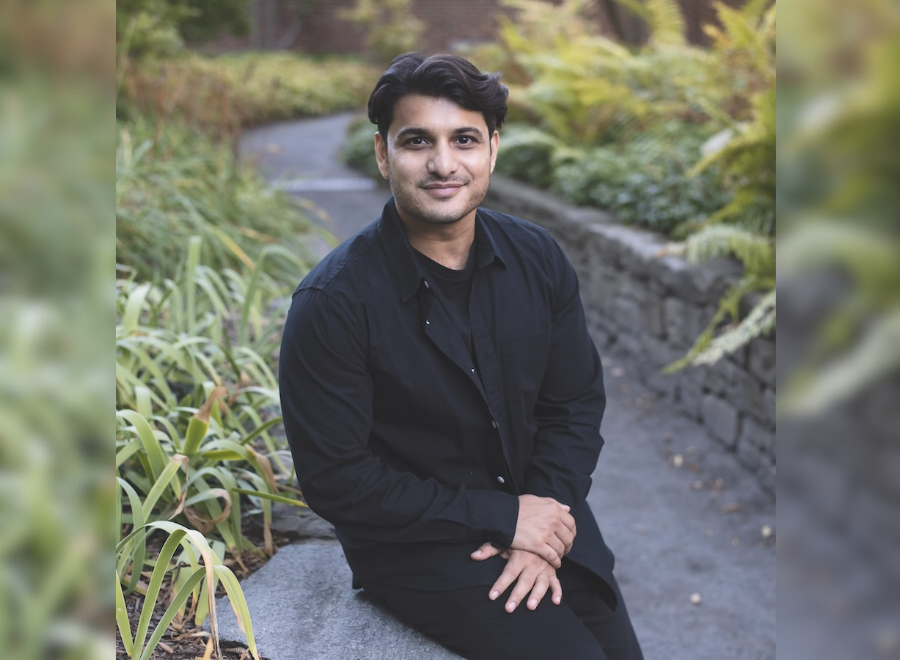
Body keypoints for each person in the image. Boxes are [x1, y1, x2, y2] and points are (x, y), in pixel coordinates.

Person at [279, 52, 644, 659]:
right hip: (420, 548)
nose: (443, 163)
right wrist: (504, 518)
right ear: (382, 153)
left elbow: (574, 404)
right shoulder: (333, 301)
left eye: (465, 140)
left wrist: (539, 521)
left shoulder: (539, 258)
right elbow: (336, 478)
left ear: (493, 150)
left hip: (546, 517)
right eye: (417, 141)